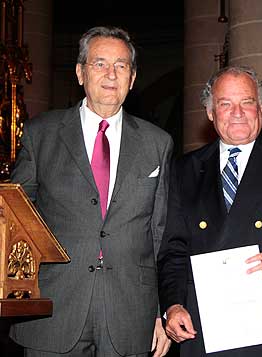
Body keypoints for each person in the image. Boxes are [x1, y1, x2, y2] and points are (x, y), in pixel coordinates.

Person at [9, 26, 172, 357]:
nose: (111, 74)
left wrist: (160, 311)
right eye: (100, 63)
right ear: (81, 73)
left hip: (130, 313)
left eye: (121, 65)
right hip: (54, 308)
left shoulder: (158, 143)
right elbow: (14, 217)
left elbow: (159, 234)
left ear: (133, 76)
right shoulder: (42, 134)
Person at [157, 66, 262, 356]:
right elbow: (173, 248)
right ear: (211, 113)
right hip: (203, 327)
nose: (237, 112)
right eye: (225, 104)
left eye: (246, 102)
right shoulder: (184, 169)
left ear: (260, 109)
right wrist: (172, 305)